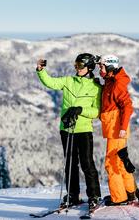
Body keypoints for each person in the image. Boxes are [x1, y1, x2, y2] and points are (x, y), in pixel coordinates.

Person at [36, 53, 102, 209]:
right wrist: (41, 70)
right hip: (66, 129)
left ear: (89, 68)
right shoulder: (68, 81)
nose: (77, 68)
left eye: (80, 66)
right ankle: (72, 196)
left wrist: (79, 110)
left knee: (87, 163)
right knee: (70, 164)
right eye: (76, 65)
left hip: (84, 130)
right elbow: (50, 82)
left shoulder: (96, 87)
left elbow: (96, 112)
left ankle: (94, 196)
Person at [98, 54, 137, 206]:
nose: (99, 70)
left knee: (111, 162)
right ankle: (130, 192)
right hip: (113, 128)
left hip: (116, 129)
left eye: (101, 67)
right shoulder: (110, 81)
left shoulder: (116, 84)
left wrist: (122, 128)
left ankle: (119, 197)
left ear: (109, 67)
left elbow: (127, 106)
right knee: (120, 161)